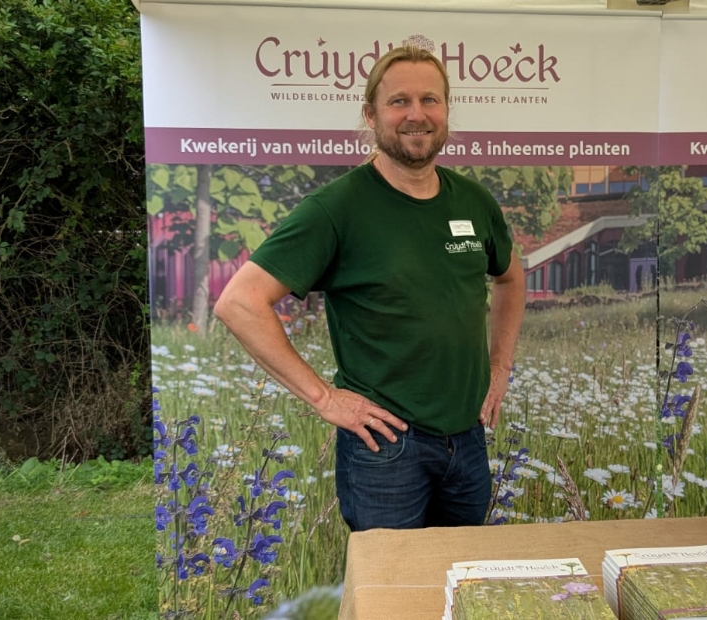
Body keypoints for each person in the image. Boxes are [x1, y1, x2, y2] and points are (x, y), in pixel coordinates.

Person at [214, 44, 526, 531]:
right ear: (371, 114)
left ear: (446, 110)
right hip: (386, 448)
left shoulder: (472, 200)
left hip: (467, 443)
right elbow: (239, 302)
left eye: (430, 99)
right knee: (390, 578)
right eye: (399, 101)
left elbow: (510, 276)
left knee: (458, 574)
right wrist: (324, 398)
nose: (417, 114)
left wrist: (501, 366)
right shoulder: (336, 208)